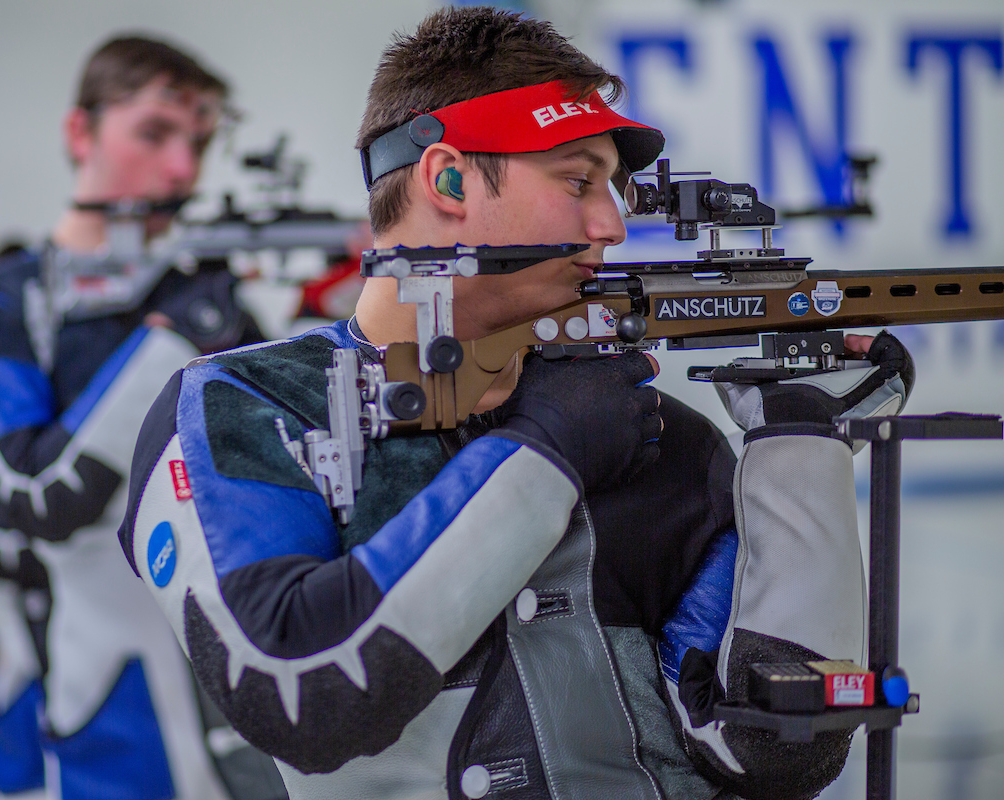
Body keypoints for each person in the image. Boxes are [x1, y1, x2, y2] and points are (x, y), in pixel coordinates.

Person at [119, 8, 914, 800]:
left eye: (614, 188)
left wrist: (802, 443)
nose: (611, 224)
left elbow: (775, 755)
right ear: (450, 179)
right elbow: (301, 695)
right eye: (577, 181)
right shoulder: (244, 406)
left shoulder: (656, 434)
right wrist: (544, 457)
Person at [0, 35, 276, 800]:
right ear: (79, 133)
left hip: (233, 691)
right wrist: (173, 340)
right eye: (154, 133)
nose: (183, 168)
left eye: (201, 141)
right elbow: (34, 494)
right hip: (93, 704)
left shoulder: (202, 295)